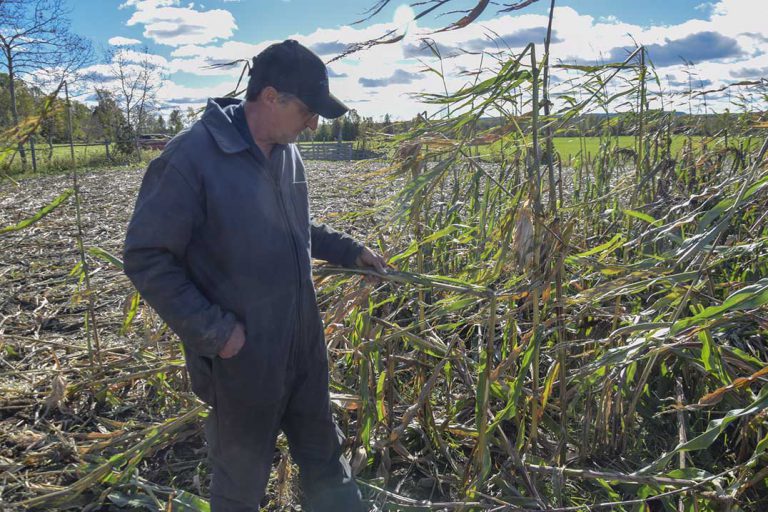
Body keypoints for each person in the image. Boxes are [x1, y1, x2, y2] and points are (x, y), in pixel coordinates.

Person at [123, 39, 386, 512]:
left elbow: (290, 228)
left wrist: (347, 250)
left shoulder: (285, 152)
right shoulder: (191, 158)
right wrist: (218, 333)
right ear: (270, 97)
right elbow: (147, 256)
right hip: (241, 362)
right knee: (241, 485)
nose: (313, 123)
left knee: (326, 464)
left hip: (303, 347)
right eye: (307, 110)